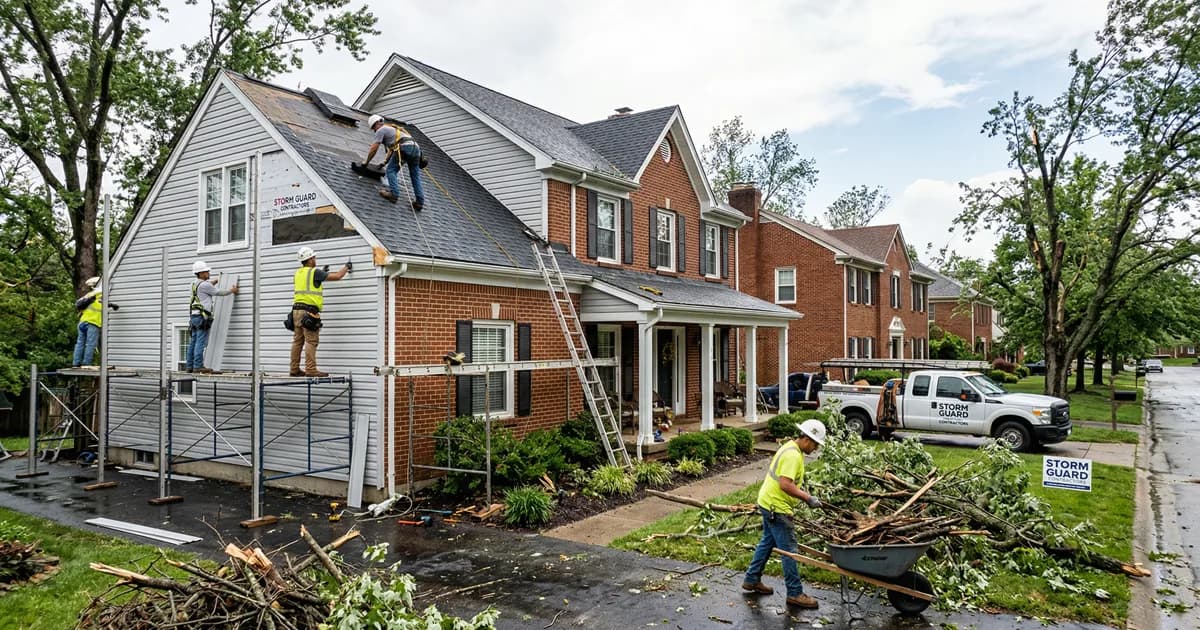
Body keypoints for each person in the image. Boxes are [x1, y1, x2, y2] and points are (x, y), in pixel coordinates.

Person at [742, 418, 827, 609]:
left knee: (767, 542)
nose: (815, 448)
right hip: (777, 508)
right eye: (815, 444)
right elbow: (785, 484)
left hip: (768, 502)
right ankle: (795, 593)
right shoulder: (793, 456)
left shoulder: (790, 447)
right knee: (789, 551)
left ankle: (752, 579)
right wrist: (807, 498)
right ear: (807, 439)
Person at [290, 246, 350, 377]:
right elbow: (338, 276)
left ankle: (294, 369)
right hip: (309, 312)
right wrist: (346, 267)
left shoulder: (298, 273)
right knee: (311, 341)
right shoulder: (314, 272)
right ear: (310, 259)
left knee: (297, 341)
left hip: (296, 311)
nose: (315, 259)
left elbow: (309, 284)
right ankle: (311, 369)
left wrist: (322, 273)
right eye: (314, 257)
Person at [186, 260, 239, 374]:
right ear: (201, 273)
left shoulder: (193, 284)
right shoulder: (205, 285)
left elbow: (205, 287)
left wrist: (213, 282)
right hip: (202, 317)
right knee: (200, 342)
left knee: (193, 341)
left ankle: (190, 366)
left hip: (194, 316)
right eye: (206, 272)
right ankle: (198, 366)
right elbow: (219, 293)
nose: (208, 273)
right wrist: (232, 290)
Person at [365, 114, 425, 211]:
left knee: (391, 170)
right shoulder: (393, 130)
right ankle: (419, 202)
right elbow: (392, 150)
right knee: (415, 176)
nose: (374, 131)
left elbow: (374, 148)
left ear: (376, 123)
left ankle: (394, 194)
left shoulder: (381, 130)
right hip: (416, 149)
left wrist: (366, 162)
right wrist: (384, 162)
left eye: (373, 128)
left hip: (405, 147)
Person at [73, 277, 118, 367]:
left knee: (80, 343)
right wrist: (113, 305)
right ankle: (86, 363)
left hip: (82, 322)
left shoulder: (89, 295)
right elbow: (101, 302)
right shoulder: (100, 295)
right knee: (91, 344)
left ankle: (76, 363)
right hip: (92, 323)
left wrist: (111, 305)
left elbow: (98, 303)